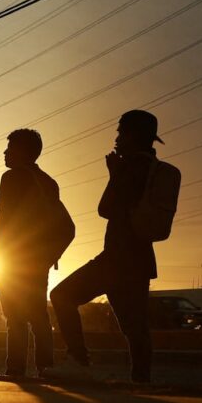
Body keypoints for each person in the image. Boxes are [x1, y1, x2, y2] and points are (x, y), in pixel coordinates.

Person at [50, 111, 167, 384]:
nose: (116, 139)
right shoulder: (152, 166)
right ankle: (141, 380)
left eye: (120, 132)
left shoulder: (132, 167)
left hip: (117, 260)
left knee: (62, 296)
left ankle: (78, 360)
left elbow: (106, 209)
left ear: (133, 135)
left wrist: (114, 175)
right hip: (138, 260)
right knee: (134, 326)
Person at [0, 129, 68, 377]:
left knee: (15, 317)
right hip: (39, 260)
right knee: (38, 314)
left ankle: (15, 368)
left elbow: (3, 222)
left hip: (13, 259)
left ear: (23, 151)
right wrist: (48, 257)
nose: (5, 153)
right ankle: (45, 367)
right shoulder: (49, 182)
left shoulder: (11, 178)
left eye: (10, 148)